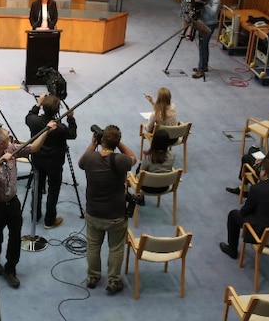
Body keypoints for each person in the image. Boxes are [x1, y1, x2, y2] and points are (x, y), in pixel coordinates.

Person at [0, 123, 57, 289]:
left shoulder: (12, 148)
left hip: (13, 203)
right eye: (8, 138)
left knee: (15, 237)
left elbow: (34, 147)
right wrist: (0, 161)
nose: (11, 139)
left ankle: (11, 269)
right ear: (1, 144)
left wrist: (47, 131)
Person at [78, 124, 137, 294]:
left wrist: (94, 143)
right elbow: (133, 157)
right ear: (117, 141)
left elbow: (82, 162)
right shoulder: (120, 160)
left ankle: (93, 276)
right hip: (115, 215)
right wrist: (118, 143)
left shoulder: (90, 158)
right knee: (116, 247)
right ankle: (113, 281)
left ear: (101, 140)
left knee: (93, 245)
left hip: (93, 212)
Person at [219, 159, 269, 259]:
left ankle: (232, 249)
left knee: (233, 215)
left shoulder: (257, 189)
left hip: (264, 236)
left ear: (264, 174)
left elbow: (244, 212)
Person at [25, 93, 77, 228]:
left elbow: (29, 116)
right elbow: (72, 134)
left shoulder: (34, 121)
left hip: (37, 160)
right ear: (57, 110)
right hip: (55, 163)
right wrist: (71, 118)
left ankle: (35, 215)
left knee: (36, 188)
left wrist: (37, 104)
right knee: (53, 191)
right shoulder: (60, 128)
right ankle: (49, 220)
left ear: (43, 107)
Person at [192, 0, 220, 80]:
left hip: (209, 25)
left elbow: (213, 13)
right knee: (202, 45)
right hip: (202, 22)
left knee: (203, 45)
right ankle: (204, 66)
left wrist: (205, 3)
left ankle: (201, 69)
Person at [137, 128, 175, 201]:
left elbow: (140, 175)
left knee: (140, 168)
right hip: (164, 186)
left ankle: (140, 197)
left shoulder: (149, 158)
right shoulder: (172, 155)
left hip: (147, 188)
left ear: (153, 142)